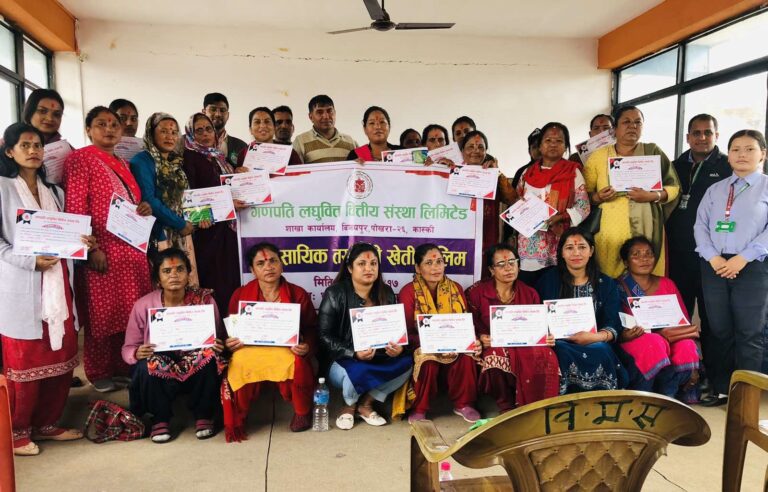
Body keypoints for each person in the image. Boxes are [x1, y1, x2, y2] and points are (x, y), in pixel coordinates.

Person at [0, 123, 95, 455]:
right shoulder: (3, 188)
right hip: (22, 286)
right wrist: (29, 262)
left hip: (58, 286)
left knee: (62, 356)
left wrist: (82, 242)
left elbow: (64, 234)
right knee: (25, 360)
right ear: (9, 151)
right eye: (25, 145)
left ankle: (47, 423)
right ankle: (17, 432)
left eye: (37, 145)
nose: (33, 151)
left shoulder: (54, 191)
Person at [63, 106, 154, 393]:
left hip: (131, 250)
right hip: (103, 250)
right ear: (88, 129)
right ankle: (99, 371)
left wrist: (144, 207)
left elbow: (131, 202)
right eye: (101, 124)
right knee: (101, 315)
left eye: (114, 124)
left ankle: (122, 366)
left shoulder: (123, 163)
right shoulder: (81, 159)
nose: (110, 129)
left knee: (128, 313)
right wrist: (92, 249)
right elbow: (75, 206)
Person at [694, 129, 768, 406]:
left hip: (752, 265)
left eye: (749, 149)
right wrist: (713, 257)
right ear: (728, 155)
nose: (742, 155)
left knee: (750, 333)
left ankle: (746, 396)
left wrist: (743, 257)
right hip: (714, 265)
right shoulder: (716, 189)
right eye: (736, 149)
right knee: (719, 330)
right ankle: (722, 389)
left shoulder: (766, 186)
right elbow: (700, 226)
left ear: (763, 154)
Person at [122, 248, 225, 442]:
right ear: (158, 279)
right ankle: (160, 419)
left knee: (211, 356)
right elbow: (128, 348)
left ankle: (204, 415)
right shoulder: (143, 305)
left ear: (188, 274)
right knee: (146, 365)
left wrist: (218, 344)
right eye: (167, 271)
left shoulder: (205, 301)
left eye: (180, 269)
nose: (174, 275)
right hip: (162, 363)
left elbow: (218, 335)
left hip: (195, 364)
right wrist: (136, 352)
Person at [222, 242, 318, 440]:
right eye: (261, 263)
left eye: (273, 261)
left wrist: (306, 345)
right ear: (252, 270)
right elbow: (231, 332)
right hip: (250, 348)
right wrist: (229, 343)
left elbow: (311, 328)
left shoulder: (297, 293)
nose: (268, 267)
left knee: (295, 361)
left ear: (282, 264)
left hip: (286, 348)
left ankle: (302, 411)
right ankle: (239, 416)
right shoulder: (240, 295)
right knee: (238, 362)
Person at [666, 114, 730, 394]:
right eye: (696, 133)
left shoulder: (727, 166)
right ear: (688, 137)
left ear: (716, 135)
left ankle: (714, 380)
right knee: (676, 317)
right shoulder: (674, 166)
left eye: (708, 132)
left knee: (712, 319)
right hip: (676, 255)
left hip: (712, 257)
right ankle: (680, 375)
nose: (702, 138)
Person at [318, 243, 413, 430]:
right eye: (362, 264)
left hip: (378, 356)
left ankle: (366, 403)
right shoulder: (335, 294)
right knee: (358, 369)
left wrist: (398, 348)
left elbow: (394, 331)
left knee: (407, 363)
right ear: (350, 268)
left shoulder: (386, 293)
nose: (369, 268)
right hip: (342, 359)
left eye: (373, 263)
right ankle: (349, 406)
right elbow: (323, 335)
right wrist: (353, 353)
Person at [584, 105, 681, 277]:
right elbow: (584, 196)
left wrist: (652, 195)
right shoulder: (598, 157)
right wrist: (598, 197)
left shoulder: (653, 152)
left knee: (645, 276)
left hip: (646, 226)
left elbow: (674, 188)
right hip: (609, 231)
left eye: (638, 122)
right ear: (614, 129)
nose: (632, 126)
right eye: (626, 122)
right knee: (610, 278)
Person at [465, 244, 559, 412]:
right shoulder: (476, 293)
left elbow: (538, 325)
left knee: (546, 354)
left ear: (518, 265)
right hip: (492, 344)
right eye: (501, 264)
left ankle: (538, 405)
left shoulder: (530, 293)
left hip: (524, 343)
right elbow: (467, 324)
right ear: (491, 270)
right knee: (494, 357)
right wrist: (479, 337)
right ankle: (506, 404)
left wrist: (546, 336)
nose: (508, 268)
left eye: (512, 262)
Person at [536, 228, 628, 394]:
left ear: (591, 251)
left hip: (596, 341)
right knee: (560, 350)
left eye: (582, 247)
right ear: (562, 252)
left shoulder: (606, 283)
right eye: (569, 248)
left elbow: (613, 321)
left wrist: (595, 337)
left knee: (602, 350)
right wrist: (546, 336)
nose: (576, 253)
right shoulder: (548, 281)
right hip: (559, 343)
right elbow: (538, 318)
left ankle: (600, 399)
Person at [398, 244, 482, 423]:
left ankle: (464, 404)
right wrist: (434, 343)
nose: (435, 267)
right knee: (427, 360)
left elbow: (464, 324)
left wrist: (470, 341)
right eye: (429, 263)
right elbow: (406, 332)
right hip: (422, 344)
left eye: (439, 262)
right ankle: (420, 408)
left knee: (467, 356)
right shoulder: (408, 292)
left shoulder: (456, 288)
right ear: (418, 268)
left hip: (453, 343)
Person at [615, 236, 700, 403]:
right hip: (635, 339)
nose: (644, 259)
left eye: (649, 254)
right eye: (636, 255)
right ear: (626, 262)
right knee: (654, 342)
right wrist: (624, 335)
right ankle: (645, 395)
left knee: (686, 345)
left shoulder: (667, 284)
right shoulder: (617, 287)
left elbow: (682, 321)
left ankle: (669, 395)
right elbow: (613, 322)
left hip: (669, 336)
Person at [182, 113, 244, 315]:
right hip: (208, 234)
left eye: (208, 129)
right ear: (190, 134)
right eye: (198, 130)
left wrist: (238, 174)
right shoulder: (189, 158)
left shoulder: (219, 157)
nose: (205, 134)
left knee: (232, 282)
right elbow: (188, 198)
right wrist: (204, 215)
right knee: (216, 284)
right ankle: (217, 329)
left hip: (227, 232)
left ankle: (231, 328)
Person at [514, 122, 590, 287]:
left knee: (555, 291)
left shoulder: (573, 172)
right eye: (548, 140)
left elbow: (583, 207)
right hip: (529, 246)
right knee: (530, 292)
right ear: (540, 146)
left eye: (559, 141)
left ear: (566, 146)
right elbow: (517, 200)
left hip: (559, 244)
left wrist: (561, 217)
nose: (553, 144)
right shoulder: (528, 173)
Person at [130, 113, 202, 263]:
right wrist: (180, 223)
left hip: (182, 233)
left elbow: (185, 196)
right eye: (163, 131)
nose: (170, 137)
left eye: (174, 132)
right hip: (161, 233)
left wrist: (199, 217)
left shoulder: (175, 161)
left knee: (185, 276)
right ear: (151, 133)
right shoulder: (142, 161)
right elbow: (149, 199)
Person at [459, 130, 517, 256]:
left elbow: (512, 200)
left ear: (486, 152)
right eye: (470, 147)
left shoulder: (493, 176)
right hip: (460, 240)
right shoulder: (454, 176)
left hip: (487, 241)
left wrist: (498, 173)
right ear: (462, 151)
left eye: (481, 147)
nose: (476, 151)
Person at [293, 95, 358, 164]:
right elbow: (295, 170)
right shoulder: (300, 141)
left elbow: (362, 166)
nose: (326, 116)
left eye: (330, 111)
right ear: (310, 117)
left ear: (335, 113)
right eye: (319, 112)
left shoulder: (351, 142)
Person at [236, 107, 302, 167]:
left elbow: (300, 174)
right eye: (257, 122)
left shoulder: (289, 152)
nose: (263, 126)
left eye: (267, 121)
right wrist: (239, 172)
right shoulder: (243, 154)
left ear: (274, 127)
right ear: (250, 130)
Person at [202, 92, 247, 167]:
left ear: (228, 115)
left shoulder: (241, 146)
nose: (218, 114)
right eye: (213, 109)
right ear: (204, 113)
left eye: (222, 110)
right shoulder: (187, 143)